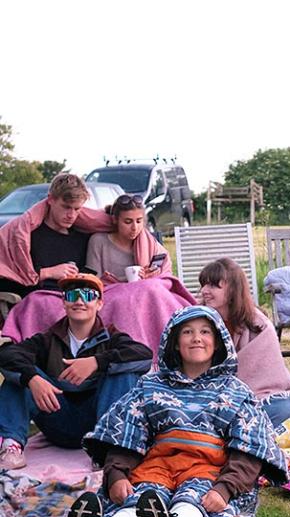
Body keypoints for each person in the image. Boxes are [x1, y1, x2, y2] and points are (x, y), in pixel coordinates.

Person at [66, 306, 288, 517]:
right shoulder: (150, 386)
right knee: (140, 501)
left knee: (192, 504)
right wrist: (116, 475)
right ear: (173, 342)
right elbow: (127, 431)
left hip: (206, 469)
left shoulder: (235, 392)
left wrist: (225, 489)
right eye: (187, 332)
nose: (196, 338)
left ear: (218, 342)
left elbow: (249, 447)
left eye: (205, 332)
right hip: (157, 465)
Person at [0, 274, 152, 470]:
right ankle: (11, 446)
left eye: (88, 295)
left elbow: (144, 355)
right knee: (18, 375)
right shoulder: (47, 339)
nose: (80, 301)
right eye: (72, 295)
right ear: (64, 303)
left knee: (125, 371)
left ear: (99, 304)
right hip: (57, 419)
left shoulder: (112, 338)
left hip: (99, 423)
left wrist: (97, 362)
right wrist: (32, 378)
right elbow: (7, 354)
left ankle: (109, 449)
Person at [0, 175, 175, 343]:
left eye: (77, 209)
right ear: (51, 200)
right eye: (66, 207)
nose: (71, 215)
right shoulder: (28, 237)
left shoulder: (83, 235)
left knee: (139, 295)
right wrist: (47, 273)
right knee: (43, 303)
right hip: (48, 298)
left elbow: (95, 273)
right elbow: (9, 280)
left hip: (87, 299)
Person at [82, 193, 197, 355]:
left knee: (154, 289)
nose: (134, 228)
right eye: (128, 222)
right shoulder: (98, 241)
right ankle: (139, 352)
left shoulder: (147, 241)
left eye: (139, 221)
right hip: (113, 295)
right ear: (115, 220)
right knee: (136, 296)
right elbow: (93, 282)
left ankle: (170, 347)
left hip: (146, 295)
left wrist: (153, 274)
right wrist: (123, 281)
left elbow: (165, 273)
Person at [199, 258, 290, 427]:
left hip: (256, 398)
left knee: (286, 405)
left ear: (233, 289)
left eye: (212, 285)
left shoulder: (258, 325)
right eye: (203, 285)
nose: (204, 291)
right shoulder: (197, 322)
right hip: (211, 400)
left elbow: (269, 378)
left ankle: (236, 429)